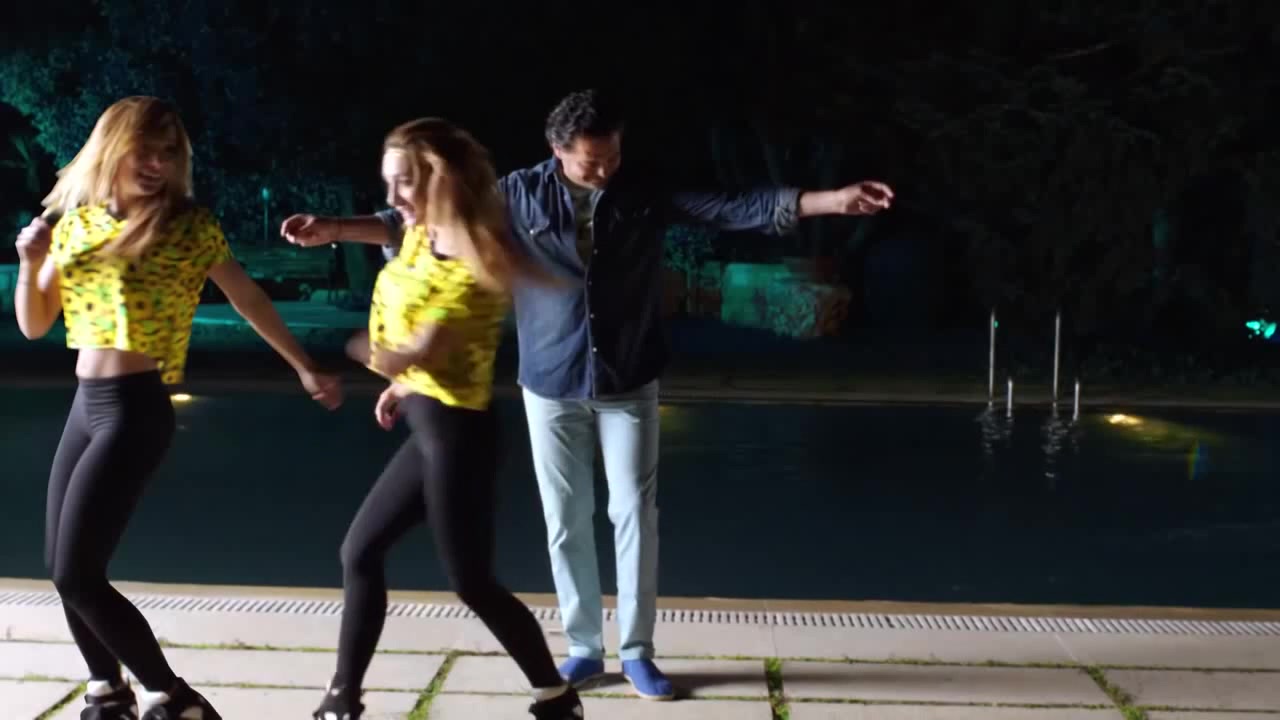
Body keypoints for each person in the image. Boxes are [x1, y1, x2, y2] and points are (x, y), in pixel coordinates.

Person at [282, 89, 893, 701]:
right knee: (565, 519)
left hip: (627, 377)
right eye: (589, 161)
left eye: (612, 157)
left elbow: (732, 207)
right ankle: (583, 648)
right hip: (550, 380)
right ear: (557, 150)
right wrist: (333, 230)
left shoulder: (641, 191)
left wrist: (831, 200)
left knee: (634, 513)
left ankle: (638, 652)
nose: (603, 170)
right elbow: (417, 220)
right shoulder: (516, 195)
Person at [12, 96, 343, 720]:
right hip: (86, 406)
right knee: (64, 570)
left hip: (135, 409)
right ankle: (107, 691)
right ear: (112, 147)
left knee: (78, 573)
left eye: (169, 153)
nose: (158, 164)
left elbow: (247, 298)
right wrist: (32, 264)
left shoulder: (188, 227)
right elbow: (34, 325)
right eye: (146, 150)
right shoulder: (74, 224)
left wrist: (304, 366)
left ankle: (174, 697)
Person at [305, 118, 583, 720]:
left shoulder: (473, 260)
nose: (393, 197)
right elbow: (411, 356)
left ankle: (557, 696)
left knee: (472, 583)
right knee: (360, 552)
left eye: (404, 182)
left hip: (460, 438)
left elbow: (411, 349)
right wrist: (404, 386)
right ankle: (341, 699)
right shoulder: (419, 232)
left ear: (441, 179)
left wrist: (369, 355)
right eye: (388, 182)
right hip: (431, 428)